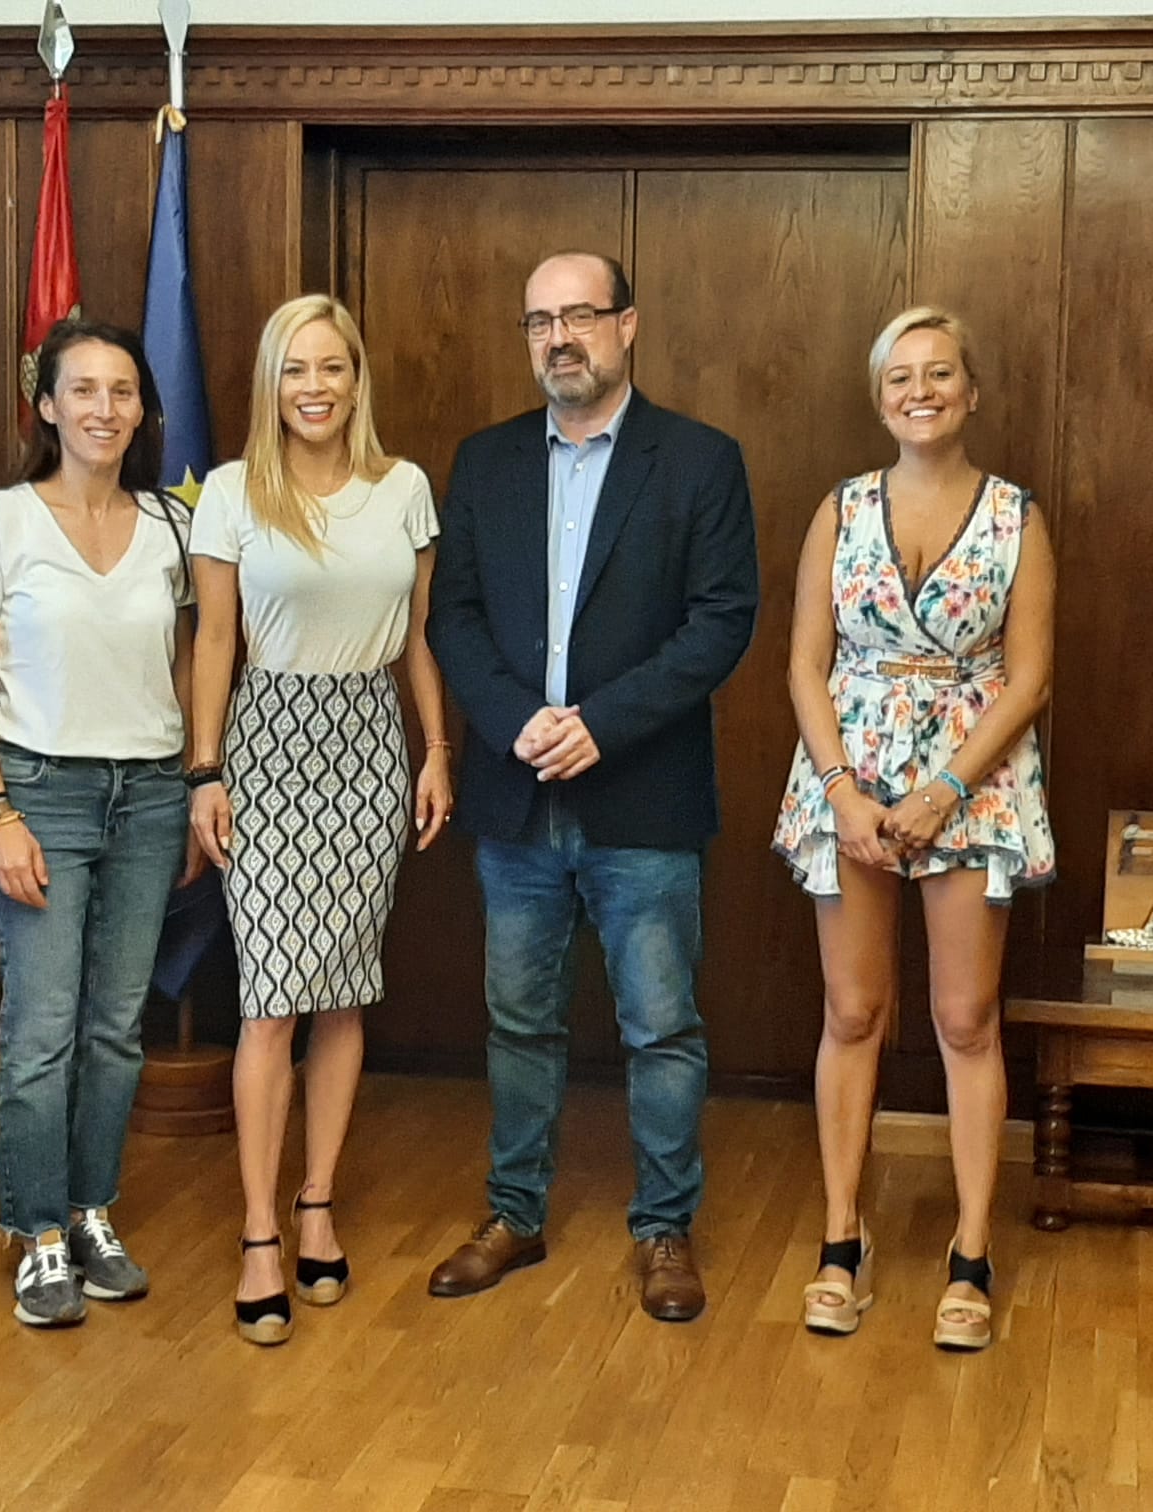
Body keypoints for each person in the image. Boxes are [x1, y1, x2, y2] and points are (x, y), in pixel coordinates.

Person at [425, 251, 759, 1324]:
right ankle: (514, 1216)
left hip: (642, 800)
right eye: (538, 320)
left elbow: (721, 622)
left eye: (578, 315)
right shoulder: (483, 463)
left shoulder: (700, 461)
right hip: (514, 796)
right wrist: (518, 719)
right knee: (518, 1022)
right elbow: (454, 621)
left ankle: (664, 1231)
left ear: (627, 325)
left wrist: (600, 727)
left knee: (660, 1027)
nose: (558, 337)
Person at [773, 306, 1054, 1349]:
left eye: (940, 374)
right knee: (853, 1012)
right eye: (900, 377)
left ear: (972, 392)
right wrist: (843, 790)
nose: (920, 391)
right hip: (846, 777)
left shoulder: (1017, 515)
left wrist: (945, 787)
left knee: (967, 1018)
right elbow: (805, 661)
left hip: (971, 780)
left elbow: (1030, 677)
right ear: (879, 396)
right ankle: (841, 1239)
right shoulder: (838, 513)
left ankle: (971, 1251)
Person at [186, 293, 451, 1348]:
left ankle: (317, 1203)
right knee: (270, 996)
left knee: (342, 987)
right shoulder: (229, 493)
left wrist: (437, 753)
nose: (314, 387)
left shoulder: (405, 490)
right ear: (270, 382)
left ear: (356, 379)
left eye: (332, 367)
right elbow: (213, 642)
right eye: (295, 369)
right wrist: (205, 771)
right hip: (268, 739)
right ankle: (259, 1229)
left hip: (370, 745)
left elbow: (418, 640)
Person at [0, 319, 198, 1329]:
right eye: (82, 389)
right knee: (42, 1029)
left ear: (143, 409)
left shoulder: (173, 528)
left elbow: (185, 661)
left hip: (146, 797)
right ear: (47, 405)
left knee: (115, 1029)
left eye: (122, 391)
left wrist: (181, 775)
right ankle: (38, 1234)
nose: (104, 408)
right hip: (37, 792)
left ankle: (92, 1214)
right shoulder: (1, 522)